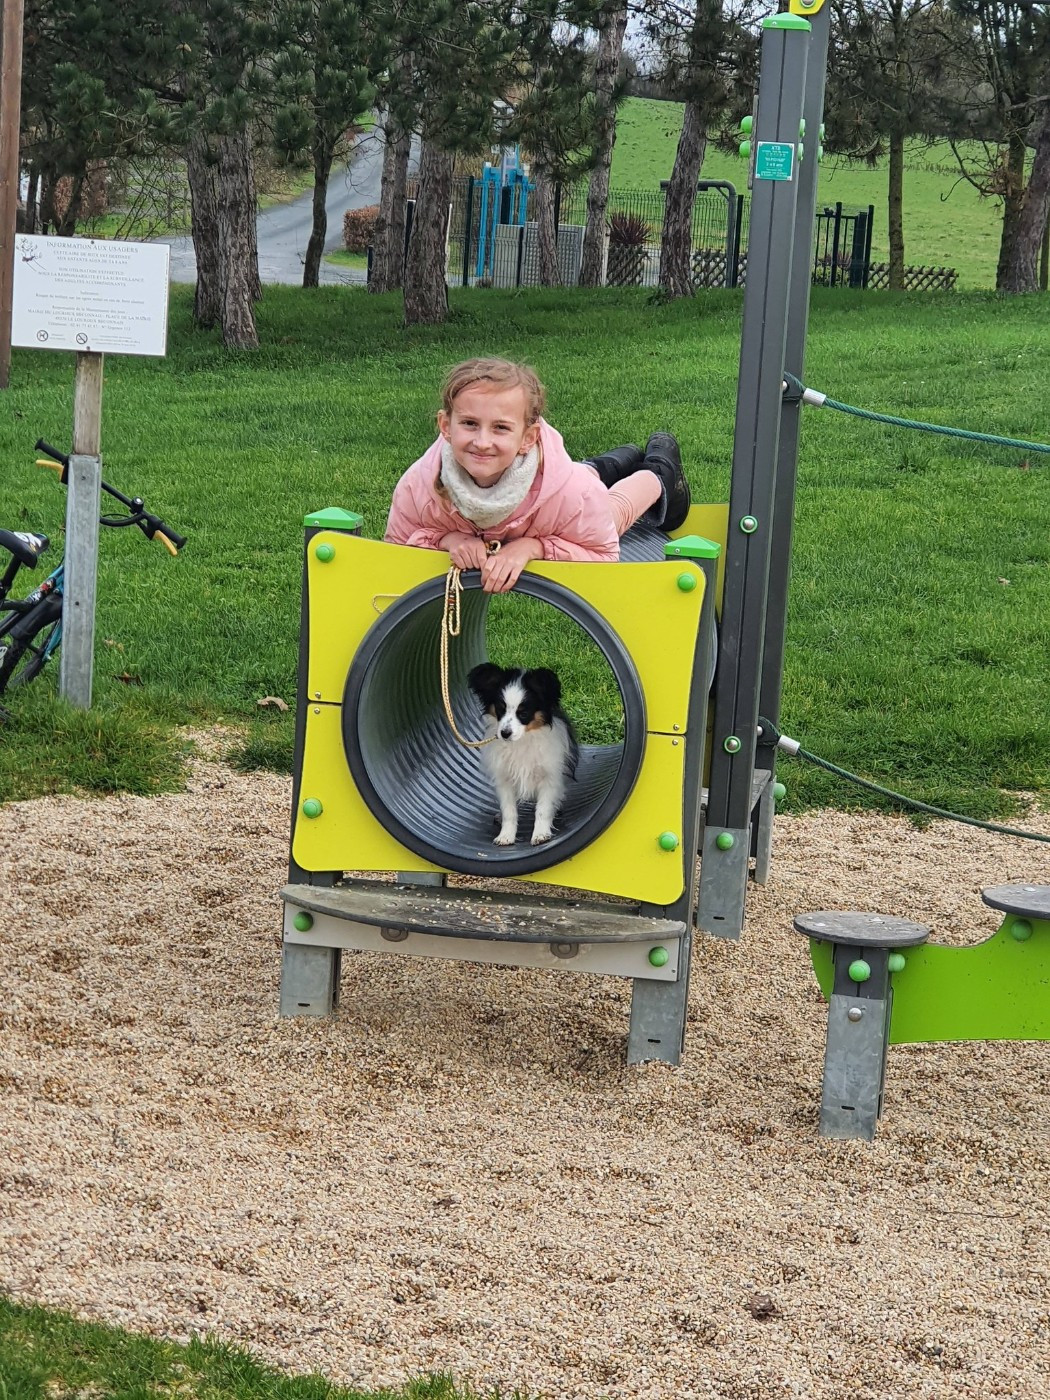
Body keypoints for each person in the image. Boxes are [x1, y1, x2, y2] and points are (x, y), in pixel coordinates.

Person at [384, 357, 691, 593]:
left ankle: (659, 471)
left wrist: (535, 547)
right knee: (581, 474)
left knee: (612, 507)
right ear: (445, 426)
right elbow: (393, 556)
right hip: (549, 483)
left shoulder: (575, 494)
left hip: (557, 503)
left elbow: (602, 552)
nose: (481, 441)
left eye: (501, 427)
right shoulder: (419, 486)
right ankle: (615, 460)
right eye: (469, 424)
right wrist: (447, 540)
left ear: (528, 438)